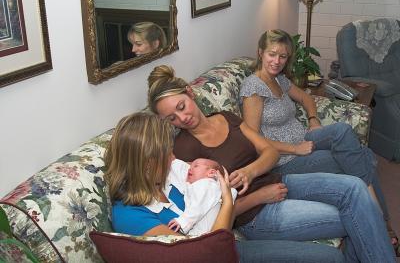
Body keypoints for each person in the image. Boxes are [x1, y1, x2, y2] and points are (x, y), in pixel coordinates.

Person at [147, 64, 396, 262]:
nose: (182, 118)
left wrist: (249, 171)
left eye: (182, 106)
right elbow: (207, 214)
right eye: (172, 119)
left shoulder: (226, 118)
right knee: (360, 212)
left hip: (278, 179)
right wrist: (259, 195)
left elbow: (269, 151)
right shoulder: (183, 151)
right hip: (257, 215)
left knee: (355, 188)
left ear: (190, 93)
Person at [105, 112, 345, 263]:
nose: (173, 156)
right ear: (147, 165)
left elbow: (211, 175)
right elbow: (207, 253)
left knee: (333, 255)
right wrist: (228, 202)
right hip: (223, 253)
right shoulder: (130, 215)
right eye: (165, 153)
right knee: (330, 258)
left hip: (231, 242)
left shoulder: (168, 175)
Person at [239, 29, 398, 252]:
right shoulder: (253, 88)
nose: (277, 61)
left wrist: (313, 119)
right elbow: (254, 139)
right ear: (260, 53)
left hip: (304, 137)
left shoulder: (279, 79)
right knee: (365, 156)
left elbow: (305, 97)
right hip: (284, 159)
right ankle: (382, 222)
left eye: (283, 56)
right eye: (272, 54)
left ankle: (379, 219)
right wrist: (295, 149)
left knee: (342, 132)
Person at [168, 158, 238, 236]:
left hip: (202, 234)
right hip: (208, 232)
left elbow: (198, 206)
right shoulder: (204, 186)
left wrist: (183, 221)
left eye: (196, 166)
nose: (189, 168)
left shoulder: (206, 184)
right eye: (190, 166)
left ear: (211, 173)